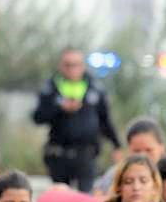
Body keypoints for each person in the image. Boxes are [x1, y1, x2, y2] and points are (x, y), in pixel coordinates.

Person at [33, 47, 121, 193]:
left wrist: (116, 145)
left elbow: (105, 120)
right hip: (59, 155)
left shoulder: (95, 88)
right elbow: (38, 118)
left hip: (86, 155)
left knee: (85, 199)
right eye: (68, 65)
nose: (72, 69)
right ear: (61, 66)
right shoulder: (50, 88)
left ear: (83, 66)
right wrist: (60, 109)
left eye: (76, 64)